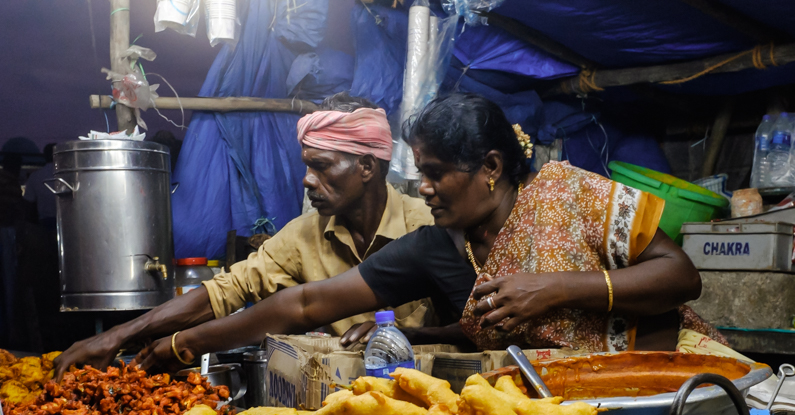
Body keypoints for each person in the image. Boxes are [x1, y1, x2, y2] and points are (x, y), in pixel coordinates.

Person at [137, 93, 703, 370]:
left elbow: (681, 276)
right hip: (579, 405)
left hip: (671, 385)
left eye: (436, 174)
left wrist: (556, 287)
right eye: (421, 174)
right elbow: (306, 303)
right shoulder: (440, 245)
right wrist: (181, 343)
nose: (425, 188)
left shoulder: (564, 190)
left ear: (491, 168)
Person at [54, 92, 443, 377]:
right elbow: (227, 291)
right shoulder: (303, 235)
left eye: (322, 166)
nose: (307, 180)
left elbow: (474, 324)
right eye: (307, 166)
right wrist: (120, 334)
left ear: (367, 166)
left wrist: (410, 334)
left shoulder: (428, 226)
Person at [23, 143, 56, 229]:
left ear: (44, 156)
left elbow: (28, 202)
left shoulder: (35, 176)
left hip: (45, 221)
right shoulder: (69, 174)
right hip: (67, 220)